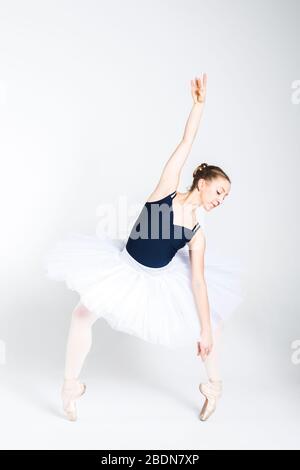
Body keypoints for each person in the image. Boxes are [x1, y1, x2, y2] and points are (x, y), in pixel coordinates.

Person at [44, 73, 244, 422]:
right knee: (80, 316)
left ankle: (214, 386)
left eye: (225, 198)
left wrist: (206, 330)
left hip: (159, 280)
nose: (220, 200)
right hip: (123, 267)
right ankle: (70, 386)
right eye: (219, 191)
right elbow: (187, 140)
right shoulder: (166, 189)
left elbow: (197, 282)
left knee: (212, 323)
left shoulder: (197, 234)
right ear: (202, 181)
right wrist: (198, 106)